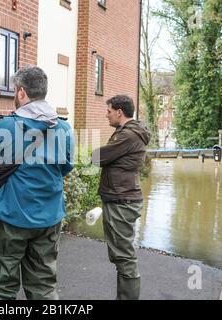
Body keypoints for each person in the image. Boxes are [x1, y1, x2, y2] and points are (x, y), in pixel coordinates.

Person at [0, 66, 74, 300]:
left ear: (21, 93)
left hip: (11, 217)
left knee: (1, 287)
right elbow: (65, 168)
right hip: (49, 219)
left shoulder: (7, 126)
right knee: (44, 286)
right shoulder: (64, 128)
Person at [91, 94, 151, 300]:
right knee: (121, 255)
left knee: (124, 258)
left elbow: (98, 157)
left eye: (108, 111)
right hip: (121, 198)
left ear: (119, 112)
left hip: (121, 200)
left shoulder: (128, 135)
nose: (106, 115)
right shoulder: (126, 132)